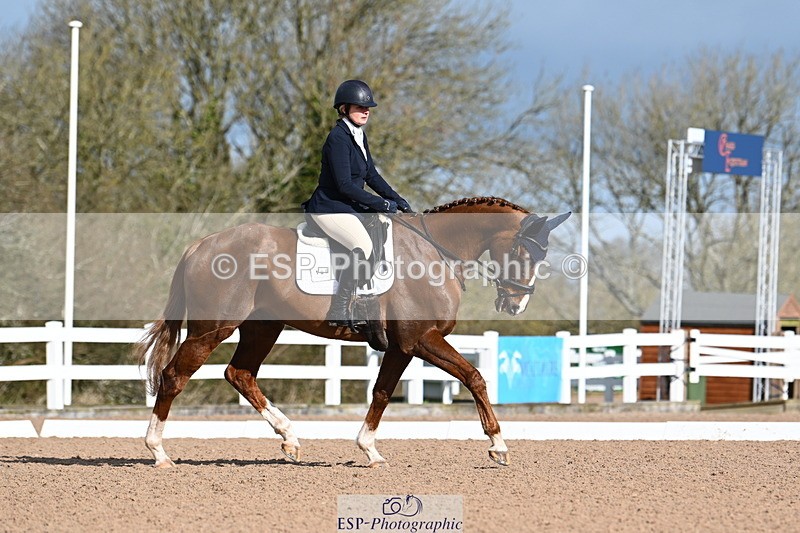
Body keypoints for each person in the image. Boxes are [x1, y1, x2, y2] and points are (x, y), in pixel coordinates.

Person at [302, 79, 413, 328]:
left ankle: (369, 295)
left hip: (347, 206)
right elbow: (344, 185)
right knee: (361, 245)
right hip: (328, 207)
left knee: (384, 227)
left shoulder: (358, 136)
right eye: (359, 107)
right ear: (343, 108)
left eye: (368, 108)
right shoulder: (338, 138)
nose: (366, 111)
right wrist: (380, 203)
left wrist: (397, 199)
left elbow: (371, 175)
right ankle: (339, 309)